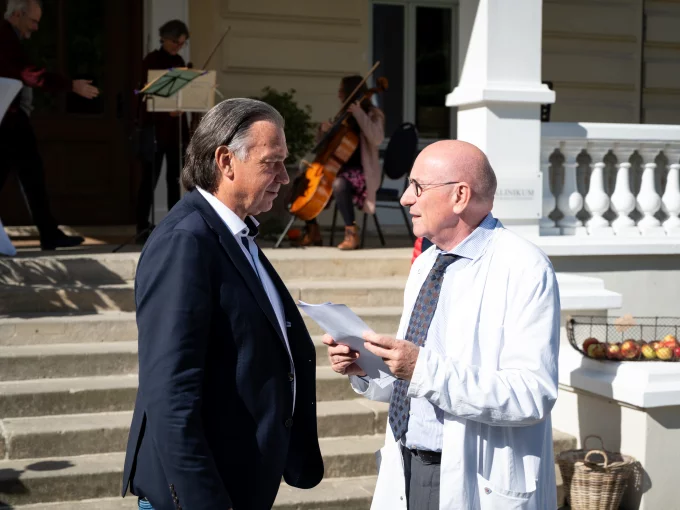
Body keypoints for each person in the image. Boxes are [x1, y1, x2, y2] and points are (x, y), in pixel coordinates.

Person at [323, 140, 560, 510]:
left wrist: (421, 368)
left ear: (459, 196)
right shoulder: (426, 263)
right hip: (407, 465)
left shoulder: (525, 267)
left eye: (417, 187)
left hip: (472, 479)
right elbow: (416, 384)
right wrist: (367, 368)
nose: (405, 199)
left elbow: (531, 395)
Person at [122, 98, 324, 510]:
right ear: (226, 161)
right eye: (272, 163)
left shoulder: (235, 233)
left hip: (240, 481)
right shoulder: (186, 241)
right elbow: (170, 393)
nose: (285, 177)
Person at [0, 0, 99, 250]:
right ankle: (49, 233)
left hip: (10, 118)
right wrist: (71, 85)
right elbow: (29, 74)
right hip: (8, 119)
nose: (36, 28)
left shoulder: (9, 37)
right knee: (32, 175)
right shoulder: (4, 38)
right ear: (18, 14)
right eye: (33, 21)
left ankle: (49, 233)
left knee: (32, 175)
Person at [296, 75, 385, 250]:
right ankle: (312, 230)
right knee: (303, 179)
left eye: (342, 90)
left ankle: (351, 233)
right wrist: (324, 131)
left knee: (339, 184)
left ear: (351, 92)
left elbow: (377, 138)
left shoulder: (373, 114)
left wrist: (359, 114)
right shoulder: (343, 115)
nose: (339, 94)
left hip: (361, 172)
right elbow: (324, 148)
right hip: (337, 169)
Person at [136, 19, 191, 241]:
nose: (179, 47)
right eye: (176, 42)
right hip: (155, 130)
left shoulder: (179, 61)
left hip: (175, 131)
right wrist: (166, 111)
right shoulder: (151, 61)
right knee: (149, 180)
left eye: (182, 43)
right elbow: (145, 96)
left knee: (175, 181)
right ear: (164, 39)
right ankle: (141, 226)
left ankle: (174, 225)